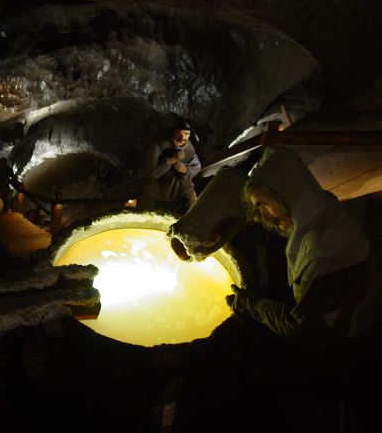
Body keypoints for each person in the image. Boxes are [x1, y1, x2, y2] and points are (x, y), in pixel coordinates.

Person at [226, 146, 381, 378]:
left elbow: (297, 325)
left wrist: (251, 304)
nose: (263, 216)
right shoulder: (321, 208)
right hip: (346, 311)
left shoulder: (325, 253)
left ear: (285, 194)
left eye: (264, 204)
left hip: (346, 341)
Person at [139, 118, 201, 215]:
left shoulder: (190, 149)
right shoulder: (159, 145)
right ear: (175, 132)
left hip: (181, 184)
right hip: (160, 185)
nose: (183, 137)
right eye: (180, 133)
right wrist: (171, 160)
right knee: (146, 205)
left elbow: (197, 167)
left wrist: (185, 170)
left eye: (187, 134)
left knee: (193, 203)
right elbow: (152, 172)